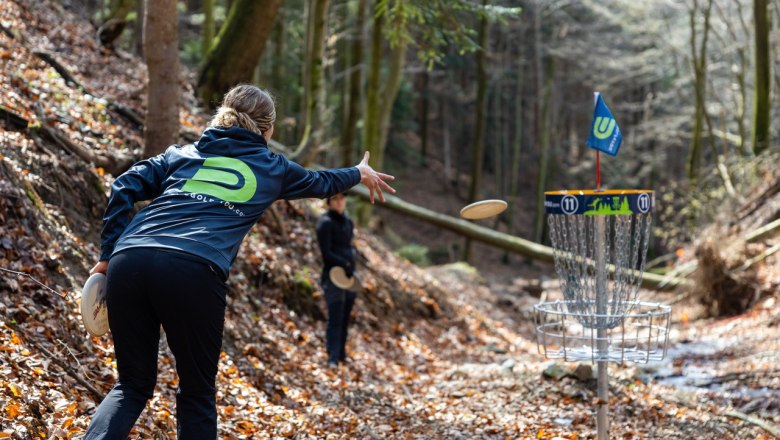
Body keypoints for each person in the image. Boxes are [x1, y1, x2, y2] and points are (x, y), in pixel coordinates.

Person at [84, 84, 395, 439]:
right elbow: (320, 182)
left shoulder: (181, 154)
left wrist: (107, 256)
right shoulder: (271, 167)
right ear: (268, 130)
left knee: (131, 385)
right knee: (197, 393)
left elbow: (123, 185)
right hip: (194, 268)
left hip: (130, 260)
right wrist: (357, 172)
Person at [316, 193, 357, 367]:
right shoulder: (325, 223)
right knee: (336, 316)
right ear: (329, 202)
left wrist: (352, 265)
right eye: (335, 199)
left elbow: (349, 246)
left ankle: (341, 353)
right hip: (333, 276)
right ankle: (332, 357)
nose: (339, 202)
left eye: (342, 198)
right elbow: (326, 253)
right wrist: (343, 263)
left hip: (349, 276)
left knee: (346, 316)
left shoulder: (348, 222)